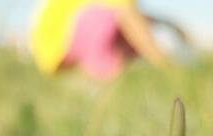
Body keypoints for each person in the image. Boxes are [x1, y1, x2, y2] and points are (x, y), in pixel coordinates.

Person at [29, 0, 184, 79]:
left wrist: (168, 23)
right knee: (131, 31)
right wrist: (170, 68)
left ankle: (97, 76)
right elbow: (131, 17)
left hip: (49, 52)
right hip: (56, 41)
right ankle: (108, 76)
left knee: (128, 29)